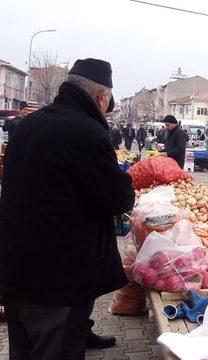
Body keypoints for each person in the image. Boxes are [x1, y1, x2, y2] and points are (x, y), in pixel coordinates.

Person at [0, 58, 135, 358]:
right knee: (56, 348)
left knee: (23, 349)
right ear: (101, 97)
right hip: (58, 277)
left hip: (16, 266)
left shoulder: (27, 125)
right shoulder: (87, 133)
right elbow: (117, 199)